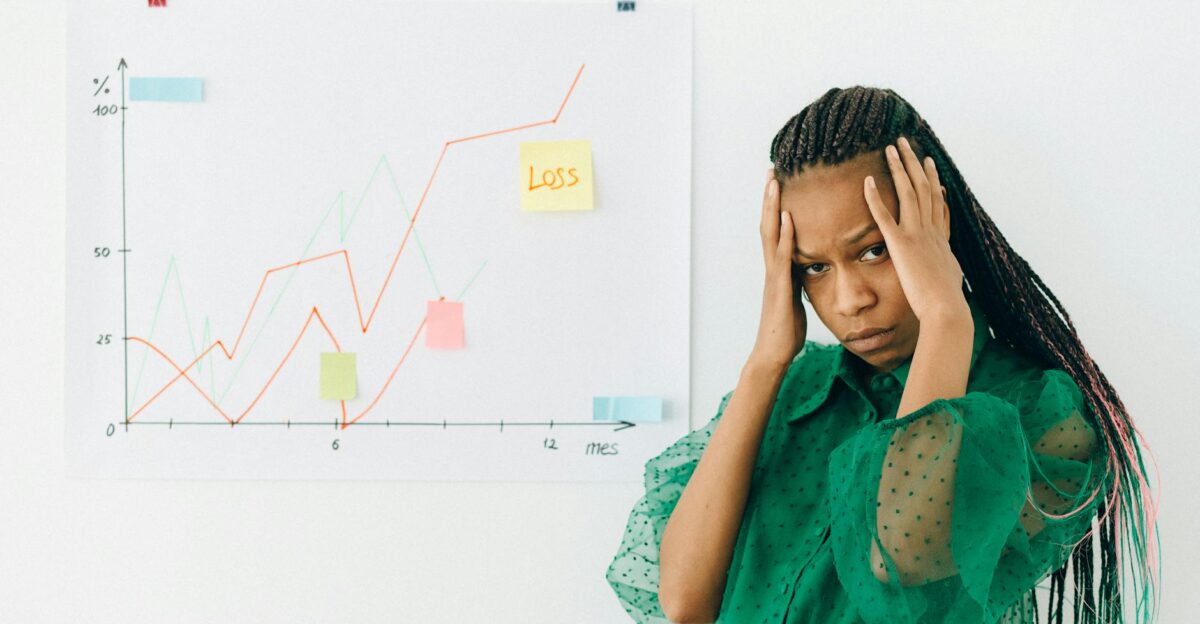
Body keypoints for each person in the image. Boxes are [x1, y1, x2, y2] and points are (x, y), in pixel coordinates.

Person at [605, 86, 1160, 624]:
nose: (850, 300)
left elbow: (897, 556)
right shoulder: (792, 392)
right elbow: (682, 601)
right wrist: (764, 363)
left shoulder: (1044, 417)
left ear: (935, 225)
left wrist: (945, 316)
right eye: (814, 268)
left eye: (874, 251)